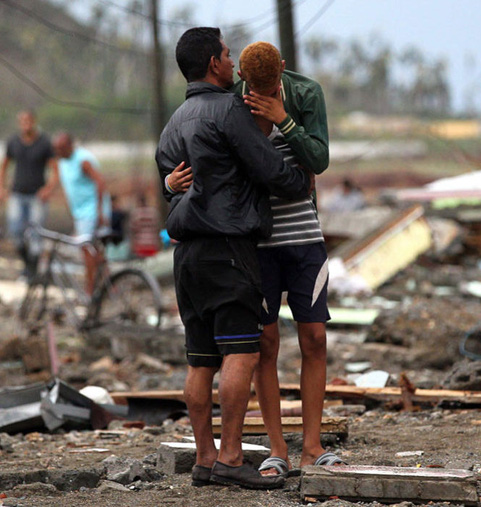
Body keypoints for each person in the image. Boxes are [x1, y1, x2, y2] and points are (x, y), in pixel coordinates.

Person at [155, 27, 312, 490]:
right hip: (229, 248)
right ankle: (231, 457)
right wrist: (298, 178)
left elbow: (168, 182)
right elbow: (267, 166)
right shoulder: (228, 110)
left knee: (199, 360)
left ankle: (204, 459)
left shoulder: (175, 120)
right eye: (226, 55)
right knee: (241, 352)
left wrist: (171, 187)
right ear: (212, 65)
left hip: (187, 256)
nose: (233, 62)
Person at [237, 41, 344, 477]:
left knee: (314, 339)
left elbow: (319, 158)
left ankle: (313, 446)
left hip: (305, 238)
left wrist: (283, 118)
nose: (259, 91)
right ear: (243, 78)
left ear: (282, 69)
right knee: (266, 345)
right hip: (258, 242)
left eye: (267, 84)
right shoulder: (233, 102)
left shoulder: (305, 94)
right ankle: (277, 447)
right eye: (252, 85)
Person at [0, 110, 58, 280]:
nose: (26, 125)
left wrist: (48, 189)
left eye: (28, 121)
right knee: (15, 231)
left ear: (33, 121)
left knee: (35, 233)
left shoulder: (44, 143)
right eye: (22, 121)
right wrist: (2, 188)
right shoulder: (13, 142)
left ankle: (33, 271)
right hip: (17, 194)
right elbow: (5, 165)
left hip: (36, 196)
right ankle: (27, 266)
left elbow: (55, 169)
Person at [52, 132, 111, 295]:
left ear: (70, 146)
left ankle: (90, 289)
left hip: (92, 210)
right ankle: (109, 283)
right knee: (95, 250)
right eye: (56, 149)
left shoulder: (82, 160)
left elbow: (100, 182)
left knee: (86, 250)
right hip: (80, 211)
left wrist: (100, 212)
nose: (59, 152)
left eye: (61, 148)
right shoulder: (62, 162)